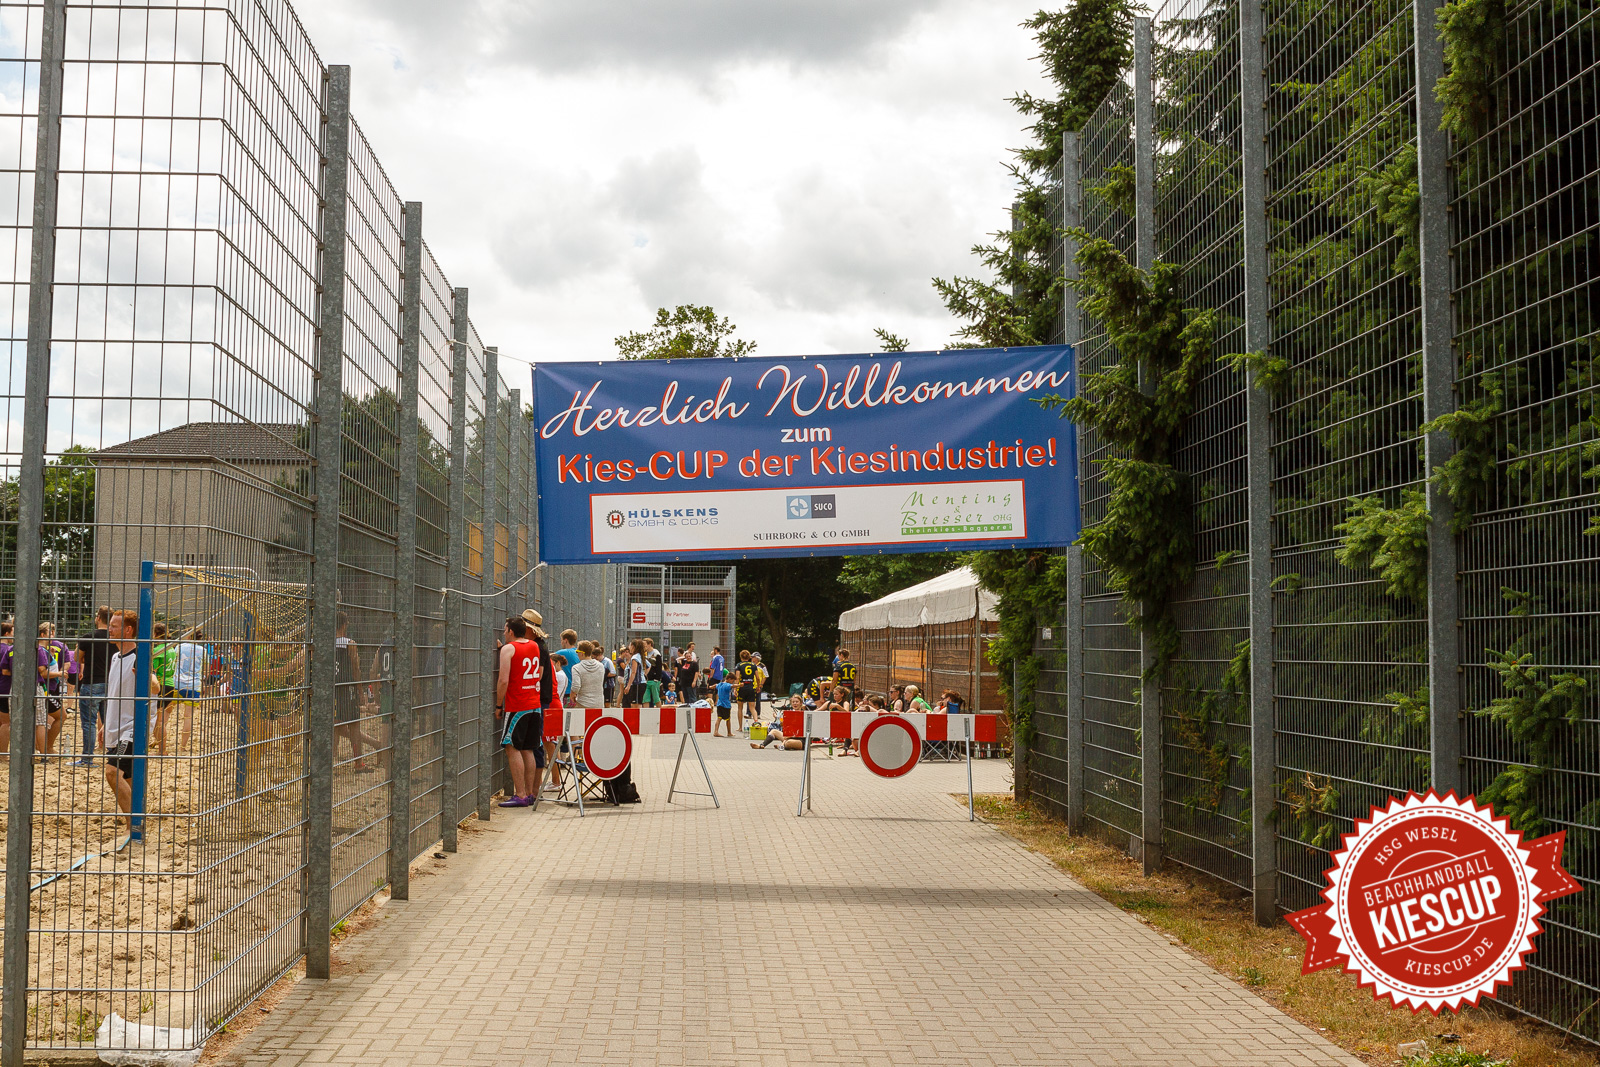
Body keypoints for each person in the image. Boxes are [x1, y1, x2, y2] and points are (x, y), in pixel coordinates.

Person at [496, 615, 553, 808]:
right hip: (534, 704)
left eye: (505, 630)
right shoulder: (534, 646)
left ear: (511, 631)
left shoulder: (508, 649)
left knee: (511, 747)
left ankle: (519, 794)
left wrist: (498, 705)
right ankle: (529, 793)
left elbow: (504, 680)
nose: (504, 633)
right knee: (528, 748)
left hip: (517, 705)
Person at [100, 608, 139, 832]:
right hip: (116, 726)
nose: (110, 630)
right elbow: (116, 693)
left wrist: (152, 682)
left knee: (112, 772)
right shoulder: (116, 657)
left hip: (132, 728)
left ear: (127, 629)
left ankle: (133, 825)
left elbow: (154, 686)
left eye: (113, 626)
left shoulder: (139, 657)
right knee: (129, 779)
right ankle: (136, 823)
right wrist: (106, 724)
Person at [73, 606, 113, 766]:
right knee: (109, 721)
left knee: (89, 722)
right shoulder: (115, 638)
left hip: (91, 683)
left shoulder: (89, 637)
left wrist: (87, 659)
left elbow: (77, 657)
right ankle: (112, 755)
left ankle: (87, 758)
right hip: (110, 683)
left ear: (98, 618)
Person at [174, 627, 208, 751]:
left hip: (176, 683)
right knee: (188, 717)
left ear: (188, 635)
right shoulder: (203, 650)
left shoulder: (179, 647)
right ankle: (182, 747)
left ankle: (162, 743)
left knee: (165, 714)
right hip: (194, 686)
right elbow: (207, 670)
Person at [733, 650, 758, 732]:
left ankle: (740, 727)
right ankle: (756, 723)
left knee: (740, 707)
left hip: (742, 687)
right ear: (749, 657)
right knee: (752, 708)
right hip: (751, 687)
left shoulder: (739, 665)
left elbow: (737, 678)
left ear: (741, 657)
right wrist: (758, 686)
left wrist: (735, 688)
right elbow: (757, 677)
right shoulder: (754, 665)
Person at [713, 673, 734, 737]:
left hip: (719, 704)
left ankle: (715, 731)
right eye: (732, 680)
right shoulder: (727, 685)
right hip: (726, 704)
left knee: (719, 718)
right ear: (729, 679)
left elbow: (715, 685)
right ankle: (729, 732)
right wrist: (740, 685)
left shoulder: (720, 684)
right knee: (728, 719)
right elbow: (733, 686)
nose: (732, 682)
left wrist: (711, 686)